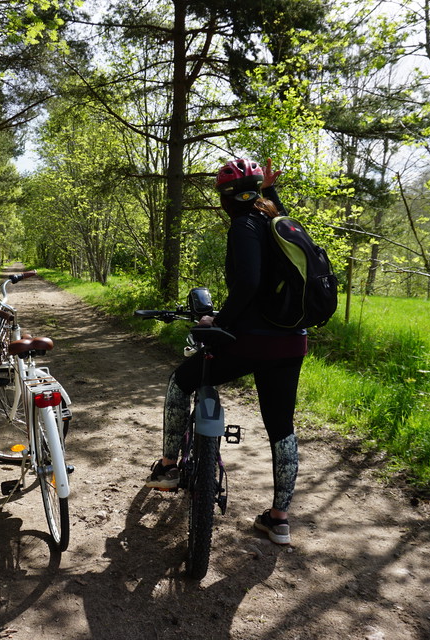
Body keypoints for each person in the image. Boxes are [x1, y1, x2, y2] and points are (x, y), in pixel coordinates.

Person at [144, 157, 307, 546]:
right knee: (281, 425)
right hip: (292, 340)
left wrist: (218, 323)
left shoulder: (243, 226)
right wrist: (269, 189)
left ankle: (168, 467)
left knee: (180, 382)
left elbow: (248, 283)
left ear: (224, 199)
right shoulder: (280, 222)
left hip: (251, 340)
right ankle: (279, 519)